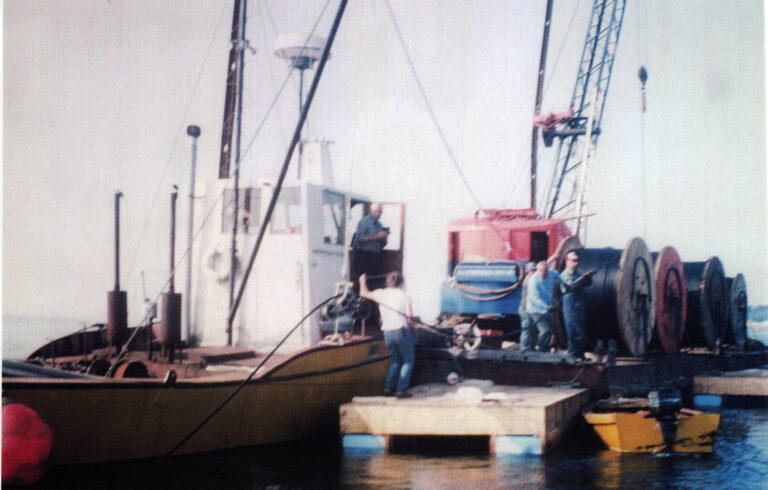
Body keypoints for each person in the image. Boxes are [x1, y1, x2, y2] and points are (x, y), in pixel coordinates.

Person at [359, 271, 415, 398]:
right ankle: (401, 389)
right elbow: (410, 318)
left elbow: (363, 293)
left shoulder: (381, 294)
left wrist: (362, 281)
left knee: (396, 361)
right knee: (408, 361)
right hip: (401, 332)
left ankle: (388, 387)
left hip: (387, 334)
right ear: (401, 282)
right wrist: (415, 329)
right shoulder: (404, 296)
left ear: (388, 282)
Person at [521, 258, 565, 352]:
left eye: (545, 270)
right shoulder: (533, 280)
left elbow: (557, 275)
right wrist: (546, 306)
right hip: (535, 310)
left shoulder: (551, 273)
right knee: (545, 331)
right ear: (537, 271)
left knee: (540, 331)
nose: (543, 273)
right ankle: (541, 352)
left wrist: (564, 284)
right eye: (541, 271)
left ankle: (537, 350)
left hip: (545, 311)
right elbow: (534, 298)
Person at [559, 251, 595, 360]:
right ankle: (573, 354)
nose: (577, 263)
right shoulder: (564, 275)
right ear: (567, 262)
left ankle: (580, 354)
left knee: (581, 329)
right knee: (572, 329)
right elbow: (570, 287)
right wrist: (582, 279)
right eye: (574, 261)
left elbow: (587, 284)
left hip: (579, 303)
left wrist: (588, 278)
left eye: (577, 261)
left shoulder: (577, 274)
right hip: (570, 303)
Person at [352, 203, 388, 279]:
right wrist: (377, 236)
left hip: (375, 256)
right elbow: (359, 239)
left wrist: (384, 238)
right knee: (364, 282)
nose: (378, 214)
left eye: (380, 212)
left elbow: (382, 244)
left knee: (374, 280)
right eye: (376, 211)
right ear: (370, 211)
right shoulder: (364, 222)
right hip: (364, 256)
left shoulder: (379, 225)